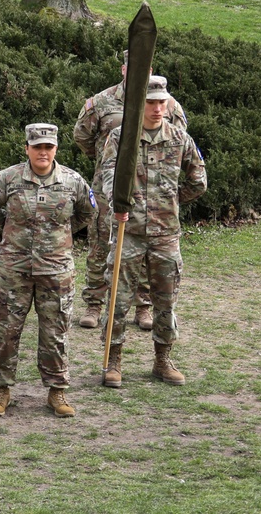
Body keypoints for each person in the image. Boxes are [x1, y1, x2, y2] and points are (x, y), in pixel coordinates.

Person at [0, 123, 96, 418]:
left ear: (56, 148)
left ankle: (57, 392)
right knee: (6, 330)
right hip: (13, 268)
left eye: (48, 147)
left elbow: (86, 213)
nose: (43, 152)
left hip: (56, 270)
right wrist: (12, 231)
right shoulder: (8, 178)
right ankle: (1, 390)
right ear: (27, 148)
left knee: (55, 331)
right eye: (37, 147)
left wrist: (59, 236)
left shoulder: (72, 181)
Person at [100, 76, 206, 388]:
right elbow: (107, 173)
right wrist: (118, 200)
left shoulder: (178, 137)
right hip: (128, 231)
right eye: (151, 102)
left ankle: (163, 360)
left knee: (166, 300)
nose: (158, 108)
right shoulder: (122, 137)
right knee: (118, 299)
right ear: (139, 103)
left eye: (162, 102)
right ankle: (113, 362)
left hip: (165, 234)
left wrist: (171, 200)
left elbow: (198, 179)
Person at [73, 50, 187, 331]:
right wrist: (105, 160)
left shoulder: (168, 105)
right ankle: (94, 303)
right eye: (133, 67)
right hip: (107, 189)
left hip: (153, 194)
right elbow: (82, 137)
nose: (139, 72)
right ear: (124, 70)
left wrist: (168, 192)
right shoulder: (101, 102)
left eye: (145, 68)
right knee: (101, 243)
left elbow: (180, 144)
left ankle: (144, 306)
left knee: (148, 248)